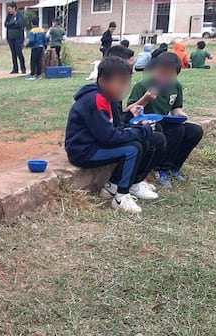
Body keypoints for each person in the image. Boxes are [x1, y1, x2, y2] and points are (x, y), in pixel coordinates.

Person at [65, 56, 155, 214]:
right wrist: (140, 131)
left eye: (125, 83)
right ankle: (121, 197)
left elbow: (113, 127)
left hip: (96, 144)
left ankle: (112, 186)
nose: (123, 87)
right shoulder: (95, 100)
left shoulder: (107, 98)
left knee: (141, 142)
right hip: (84, 151)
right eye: (119, 83)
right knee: (133, 149)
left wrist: (134, 122)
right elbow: (108, 136)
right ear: (102, 81)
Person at [127, 52, 204, 188]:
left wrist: (180, 114)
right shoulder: (143, 85)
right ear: (155, 70)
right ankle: (161, 169)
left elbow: (176, 108)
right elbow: (130, 110)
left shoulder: (176, 87)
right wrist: (146, 99)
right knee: (176, 130)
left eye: (170, 75)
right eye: (162, 73)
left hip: (166, 121)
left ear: (177, 75)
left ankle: (174, 167)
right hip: (147, 123)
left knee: (195, 131)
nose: (165, 78)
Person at [104, 45, 166, 200]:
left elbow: (118, 119)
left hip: (114, 133)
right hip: (103, 141)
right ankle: (124, 184)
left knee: (155, 129)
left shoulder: (115, 92)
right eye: (129, 67)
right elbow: (109, 130)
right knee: (147, 140)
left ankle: (136, 180)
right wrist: (137, 130)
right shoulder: (102, 96)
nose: (132, 71)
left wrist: (132, 114)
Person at [4, 2, 26, 74]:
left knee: (19, 52)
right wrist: (13, 24)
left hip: (18, 38)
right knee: (13, 53)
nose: (9, 11)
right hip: (10, 38)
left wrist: (11, 24)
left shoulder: (19, 16)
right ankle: (15, 68)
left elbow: (19, 24)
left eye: (10, 9)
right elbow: (6, 24)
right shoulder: (9, 16)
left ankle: (23, 68)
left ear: (14, 8)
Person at [25, 16, 48, 80]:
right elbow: (45, 39)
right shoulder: (42, 30)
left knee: (33, 61)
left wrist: (27, 45)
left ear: (32, 23)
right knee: (39, 61)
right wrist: (45, 46)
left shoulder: (32, 31)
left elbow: (32, 40)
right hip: (41, 47)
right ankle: (39, 74)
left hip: (35, 47)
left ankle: (32, 74)